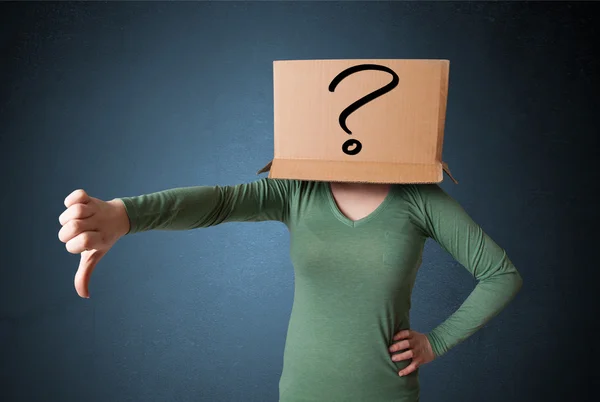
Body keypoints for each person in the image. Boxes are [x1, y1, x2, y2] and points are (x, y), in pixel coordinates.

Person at [58, 177, 522, 402]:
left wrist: (435, 341)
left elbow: (501, 274)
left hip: (384, 394)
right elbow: (220, 202)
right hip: (302, 392)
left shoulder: (420, 199)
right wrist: (128, 214)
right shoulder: (298, 190)